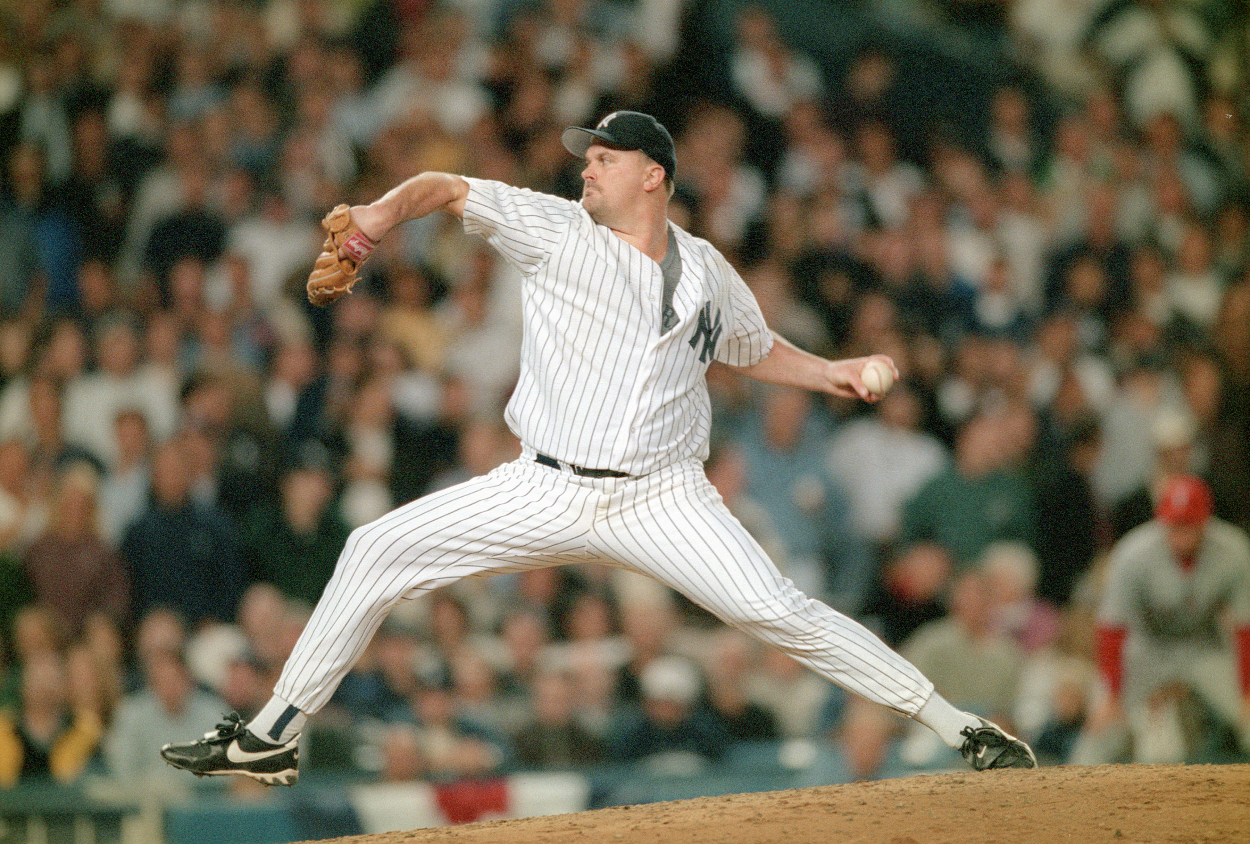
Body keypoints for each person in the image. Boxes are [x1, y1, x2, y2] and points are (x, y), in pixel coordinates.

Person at [159, 110, 1035, 785]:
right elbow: (445, 186)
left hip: (663, 496)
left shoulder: (708, 270)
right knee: (374, 547)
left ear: (653, 175)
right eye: (589, 155)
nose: (588, 164)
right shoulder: (557, 229)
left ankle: (957, 724)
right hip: (542, 486)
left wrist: (833, 372)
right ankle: (272, 733)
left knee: (781, 612)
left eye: (605, 157)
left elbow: (750, 346)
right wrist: (375, 223)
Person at [1072, 474, 1250, 764]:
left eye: (1189, 524)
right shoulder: (1134, 553)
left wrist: (1246, 690)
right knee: (1102, 726)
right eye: (1174, 524)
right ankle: (1067, 793)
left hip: (1203, 646)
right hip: (1146, 648)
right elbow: (1112, 628)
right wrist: (1113, 692)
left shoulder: (1233, 550)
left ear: (1206, 521)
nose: (1181, 533)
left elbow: (1245, 628)